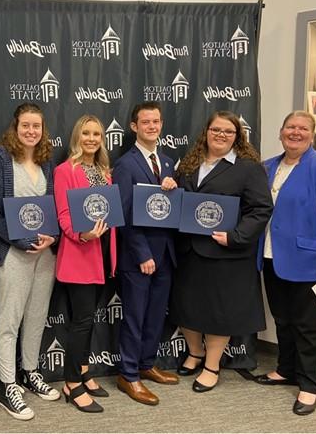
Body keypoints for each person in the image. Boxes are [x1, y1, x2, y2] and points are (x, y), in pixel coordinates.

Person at [254, 110, 316, 415]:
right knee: (283, 319)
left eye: (302, 128)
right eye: (290, 127)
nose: (295, 132)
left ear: (313, 135)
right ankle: (286, 369)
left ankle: (309, 386)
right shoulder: (267, 167)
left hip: (312, 264)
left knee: (309, 326)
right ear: (281, 131)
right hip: (273, 258)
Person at [169, 110, 273, 393]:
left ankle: (212, 365)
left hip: (226, 253)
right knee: (187, 305)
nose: (221, 135)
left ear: (237, 136)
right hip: (189, 250)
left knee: (218, 311)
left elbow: (261, 209)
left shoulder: (248, 168)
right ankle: (194, 353)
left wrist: (235, 237)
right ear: (206, 131)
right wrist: (169, 186)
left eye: (228, 131)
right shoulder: (190, 165)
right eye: (216, 129)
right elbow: (178, 201)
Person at [0, 103, 60, 420]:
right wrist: (19, 240)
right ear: (15, 127)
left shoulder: (47, 161)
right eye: (25, 125)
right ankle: (7, 385)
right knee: (10, 319)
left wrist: (51, 236)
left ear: (43, 130)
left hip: (45, 252)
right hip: (12, 252)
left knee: (37, 315)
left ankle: (29, 371)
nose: (31, 131)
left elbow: (53, 207)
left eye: (36, 126)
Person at [112, 102, 179, 406]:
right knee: (135, 317)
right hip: (138, 256)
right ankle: (128, 375)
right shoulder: (126, 164)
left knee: (155, 316)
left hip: (165, 253)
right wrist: (141, 253)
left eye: (156, 121)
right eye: (145, 122)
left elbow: (169, 209)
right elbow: (124, 213)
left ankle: (146, 363)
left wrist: (174, 189)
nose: (152, 126)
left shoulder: (167, 162)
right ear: (134, 127)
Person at [53, 115, 117, 413]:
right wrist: (82, 234)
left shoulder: (104, 171)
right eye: (87, 133)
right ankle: (70, 382)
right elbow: (64, 215)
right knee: (81, 321)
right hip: (80, 254)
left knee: (89, 319)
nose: (92, 138)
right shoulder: (66, 170)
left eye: (97, 134)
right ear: (77, 136)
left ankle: (83, 370)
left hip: (103, 255)